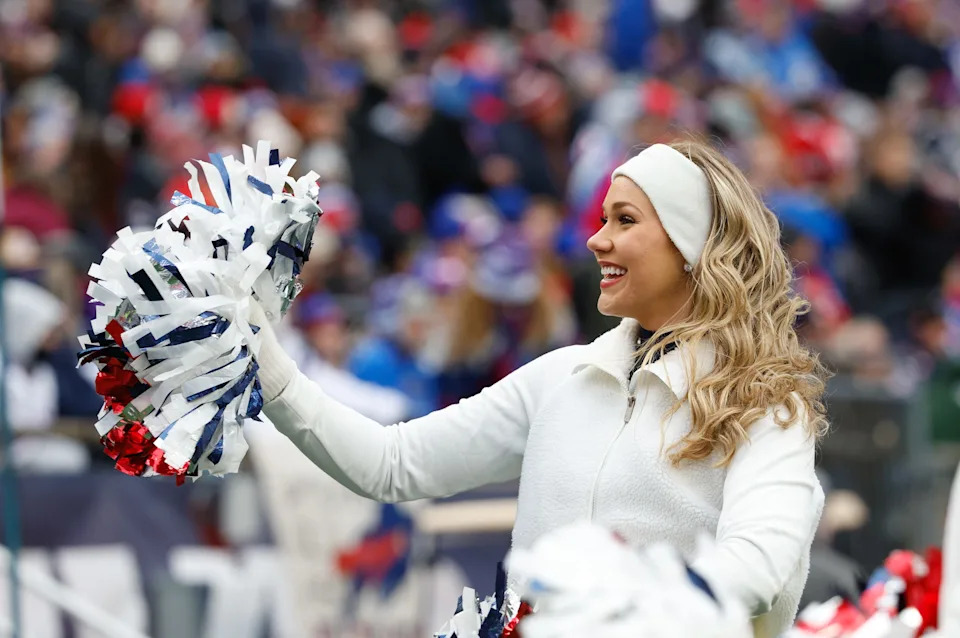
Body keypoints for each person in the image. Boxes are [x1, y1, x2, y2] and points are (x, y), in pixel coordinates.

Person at [251, 139, 830, 638]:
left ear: (691, 246)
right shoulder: (563, 377)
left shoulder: (765, 404)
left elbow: (758, 566)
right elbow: (391, 463)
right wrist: (267, 366)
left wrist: (606, 613)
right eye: (602, 219)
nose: (597, 241)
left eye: (625, 221)